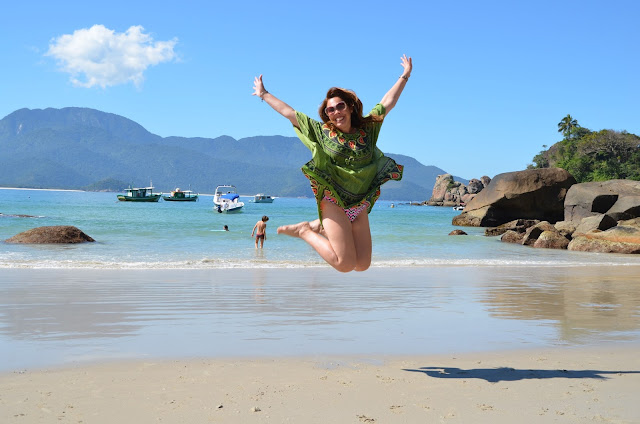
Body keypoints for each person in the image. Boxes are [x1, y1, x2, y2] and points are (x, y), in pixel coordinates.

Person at [252, 55, 412, 272]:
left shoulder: (367, 129)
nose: (336, 112)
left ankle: (320, 226)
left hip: (358, 203)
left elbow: (386, 103)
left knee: (362, 265)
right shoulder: (322, 133)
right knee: (344, 264)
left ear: (350, 107)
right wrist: (263, 94)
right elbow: (289, 113)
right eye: (330, 110)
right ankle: (305, 231)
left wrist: (405, 75)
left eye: (340, 106)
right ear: (326, 114)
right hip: (333, 200)